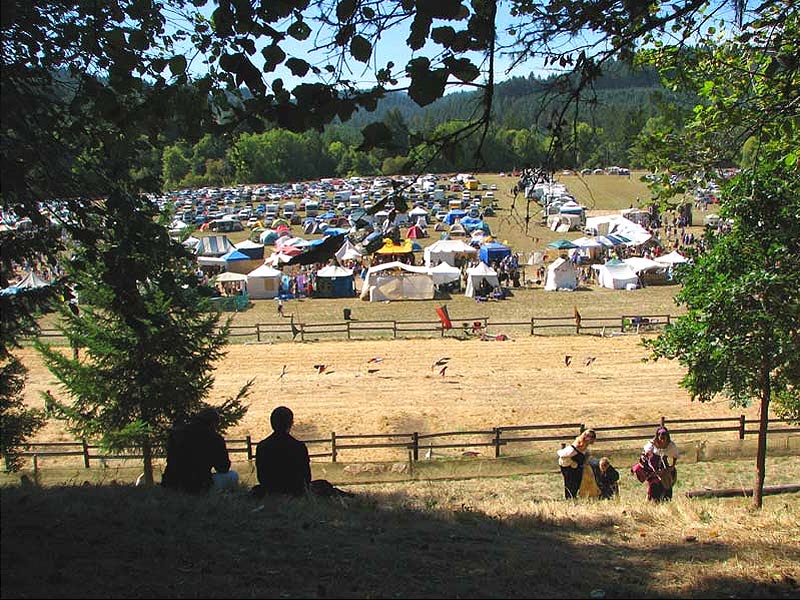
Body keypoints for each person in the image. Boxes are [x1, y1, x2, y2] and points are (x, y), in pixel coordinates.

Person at [161, 408, 239, 494]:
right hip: (198, 485)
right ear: (213, 423)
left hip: (171, 483)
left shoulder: (177, 434)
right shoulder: (215, 438)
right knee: (233, 475)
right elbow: (223, 468)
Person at [254, 406, 312, 497]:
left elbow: (261, 477)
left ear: (271, 423)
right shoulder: (299, 447)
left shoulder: (262, 446)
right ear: (291, 423)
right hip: (295, 492)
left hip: (270, 491)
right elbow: (307, 477)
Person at [638, 426, 679, 501]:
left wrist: (672, 466)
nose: (662, 437)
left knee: (667, 481)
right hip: (652, 465)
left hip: (664, 465)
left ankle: (667, 500)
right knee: (654, 484)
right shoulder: (652, 444)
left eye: (664, 435)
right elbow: (645, 455)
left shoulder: (671, 445)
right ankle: (652, 501)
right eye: (660, 435)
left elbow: (675, 456)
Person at [557, 428, 597, 499]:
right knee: (570, 483)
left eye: (591, 437)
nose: (589, 438)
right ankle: (570, 498)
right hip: (567, 465)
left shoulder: (585, 447)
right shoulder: (576, 446)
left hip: (576, 466)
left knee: (577, 482)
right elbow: (562, 454)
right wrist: (572, 462)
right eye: (588, 436)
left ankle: (573, 497)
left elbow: (585, 455)